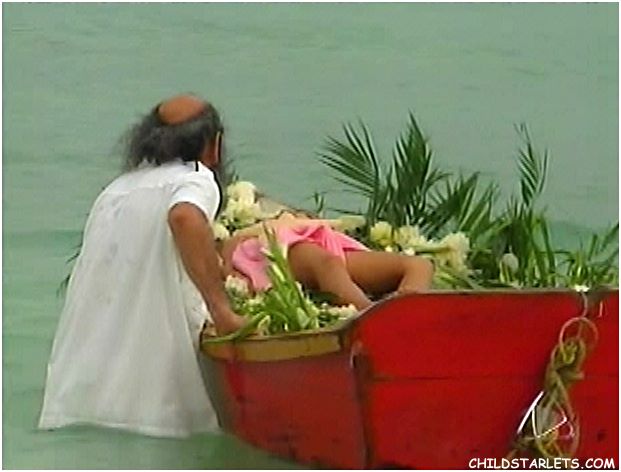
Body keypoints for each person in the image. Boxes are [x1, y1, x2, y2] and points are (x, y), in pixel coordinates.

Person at [39, 94, 245, 438]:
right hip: (156, 403)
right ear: (214, 146)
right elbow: (184, 217)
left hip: (82, 396)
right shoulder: (195, 179)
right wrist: (222, 310)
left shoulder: (116, 190)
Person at [220, 211, 435, 310]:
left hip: (326, 242)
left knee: (420, 265)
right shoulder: (251, 234)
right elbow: (227, 253)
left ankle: (407, 311)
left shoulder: (319, 230)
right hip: (278, 245)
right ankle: (371, 315)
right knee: (328, 264)